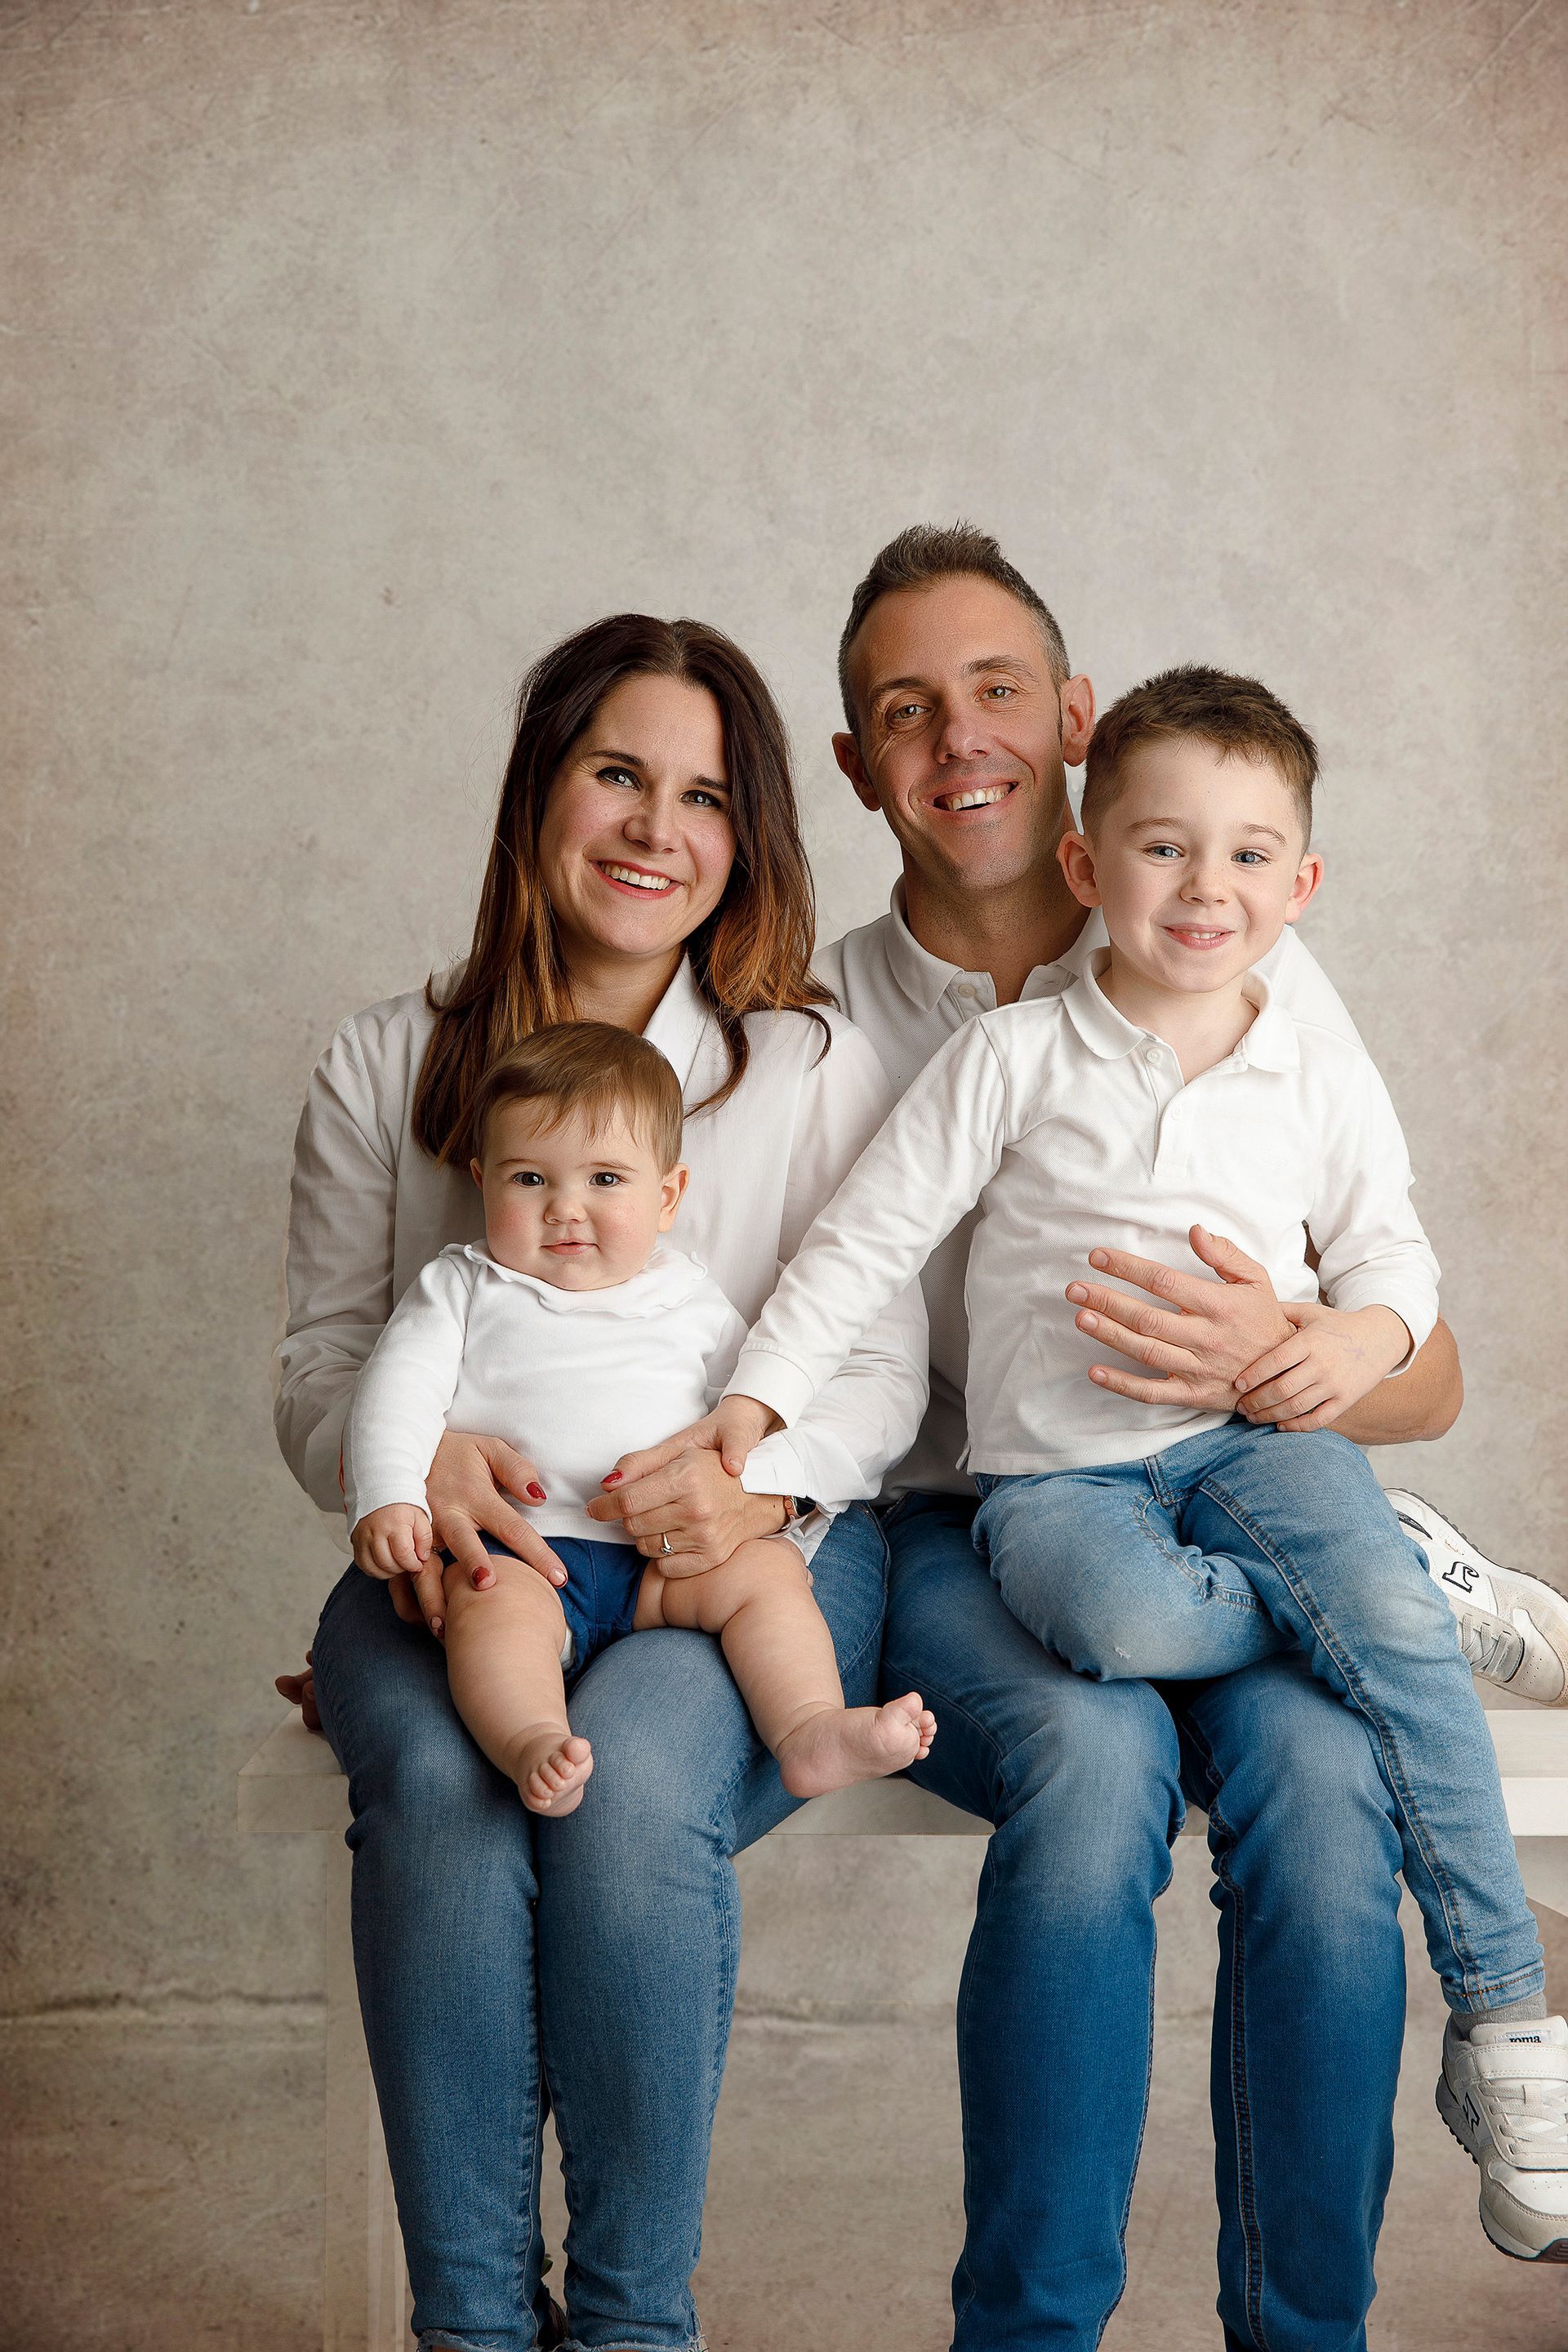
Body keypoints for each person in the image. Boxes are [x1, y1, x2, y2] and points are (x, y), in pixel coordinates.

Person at [617, 523, 1560, 2347]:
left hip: (1244, 1495)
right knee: (1100, 1758)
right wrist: (716, 1447)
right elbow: (793, 1286)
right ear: (853, 765)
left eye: (990, 691)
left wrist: (1289, 1348)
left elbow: (1422, 1357)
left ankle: (1309, 2325)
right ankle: (1031, 2328)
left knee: (1319, 1785)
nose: (953, 735)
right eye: (902, 710)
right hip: (973, 1528)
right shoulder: (816, 1025)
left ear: (1070, 718)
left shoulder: (1251, 955)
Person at [272, 613, 927, 2351]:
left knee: (633, 1796)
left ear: (750, 836)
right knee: (437, 1783)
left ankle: (637, 2324)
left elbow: (882, 1371)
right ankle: (475, 2324)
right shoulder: (377, 1060)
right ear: (540, 792)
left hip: (747, 1557)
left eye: (706, 797)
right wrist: (415, 1461)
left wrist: (758, 1485)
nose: (657, 829)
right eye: (617, 774)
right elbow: (320, 1371)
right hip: (466, 1567)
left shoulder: (805, 1063)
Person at [345, 1021, 935, 1813]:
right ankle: (531, 1742)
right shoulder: (463, 1287)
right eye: (529, 1180)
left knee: (768, 1575)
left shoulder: (687, 1293)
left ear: (667, 1198)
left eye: (605, 1181)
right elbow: (395, 1393)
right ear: (483, 1181)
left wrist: (755, 1480)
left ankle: (809, 1730)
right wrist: (389, 1494)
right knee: (485, 1609)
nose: (566, 1210)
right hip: (527, 1555)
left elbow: (754, 1398)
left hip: (662, 1558)